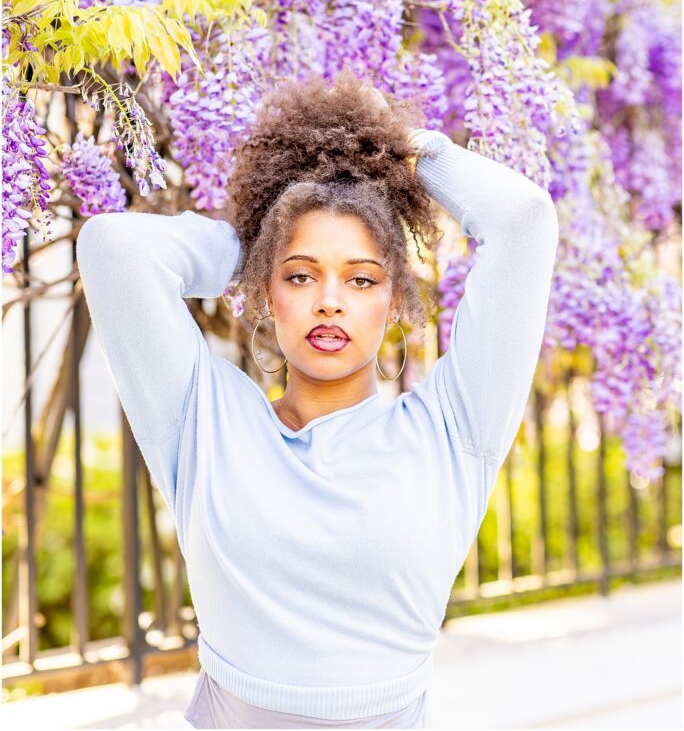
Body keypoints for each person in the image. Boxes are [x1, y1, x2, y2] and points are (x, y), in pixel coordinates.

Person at [76, 67, 559, 729]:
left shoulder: (452, 434)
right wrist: (265, 237)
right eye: (301, 276)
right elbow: (114, 248)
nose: (329, 299)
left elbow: (524, 220)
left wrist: (410, 154)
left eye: (361, 279)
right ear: (268, 295)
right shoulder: (203, 424)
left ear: (394, 300)